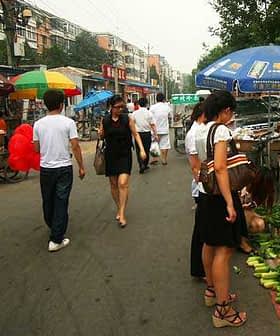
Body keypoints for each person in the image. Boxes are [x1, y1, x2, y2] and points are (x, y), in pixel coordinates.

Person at [195, 91, 247, 328]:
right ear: (225, 110)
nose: (231, 116)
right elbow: (221, 167)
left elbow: (200, 164)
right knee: (224, 251)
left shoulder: (200, 129)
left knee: (209, 243)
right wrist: (229, 201)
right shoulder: (221, 130)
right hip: (219, 197)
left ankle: (211, 291)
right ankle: (223, 310)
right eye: (231, 111)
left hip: (204, 195)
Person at [33, 89, 85, 252]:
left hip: (46, 168)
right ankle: (56, 239)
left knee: (48, 200)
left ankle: (53, 225)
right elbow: (75, 146)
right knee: (61, 200)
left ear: (45, 105)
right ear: (62, 105)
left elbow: (36, 148)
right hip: (63, 168)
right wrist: (81, 166)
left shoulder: (38, 124)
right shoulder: (68, 123)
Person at [99, 95, 146, 228]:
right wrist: (100, 133)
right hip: (110, 155)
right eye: (117, 107)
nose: (120, 109)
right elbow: (102, 136)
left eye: (122, 107)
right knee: (113, 184)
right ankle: (119, 207)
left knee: (123, 182)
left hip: (125, 154)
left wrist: (142, 150)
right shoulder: (105, 120)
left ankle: (122, 214)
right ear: (111, 107)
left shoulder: (127, 119)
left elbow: (135, 134)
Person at [185, 103, 206, 278]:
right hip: (202, 188)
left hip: (203, 186)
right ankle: (200, 269)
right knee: (202, 231)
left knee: (202, 230)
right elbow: (195, 166)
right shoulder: (194, 134)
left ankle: (200, 269)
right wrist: (205, 183)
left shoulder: (200, 130)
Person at [132, 97, 158, 173]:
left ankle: (141, 165)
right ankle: (145, 164)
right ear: (146, 104)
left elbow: (132, 124)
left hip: (138, 134)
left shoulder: (134, 113)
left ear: (138, 104)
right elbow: (153, 125)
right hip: (147, 134)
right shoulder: (149, 113)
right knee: (146, 149)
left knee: (139, 150)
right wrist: (155, 134)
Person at [149, 92, 172, 165]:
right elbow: (170, 116)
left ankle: (154, 158)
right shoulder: (167, 107)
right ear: (163, 99)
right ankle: (164, 160)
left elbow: (149, 118)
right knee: (165, 145)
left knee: (155, 144)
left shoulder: (152, 107)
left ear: (156, 99)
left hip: (155, 129)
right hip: (164, 129)